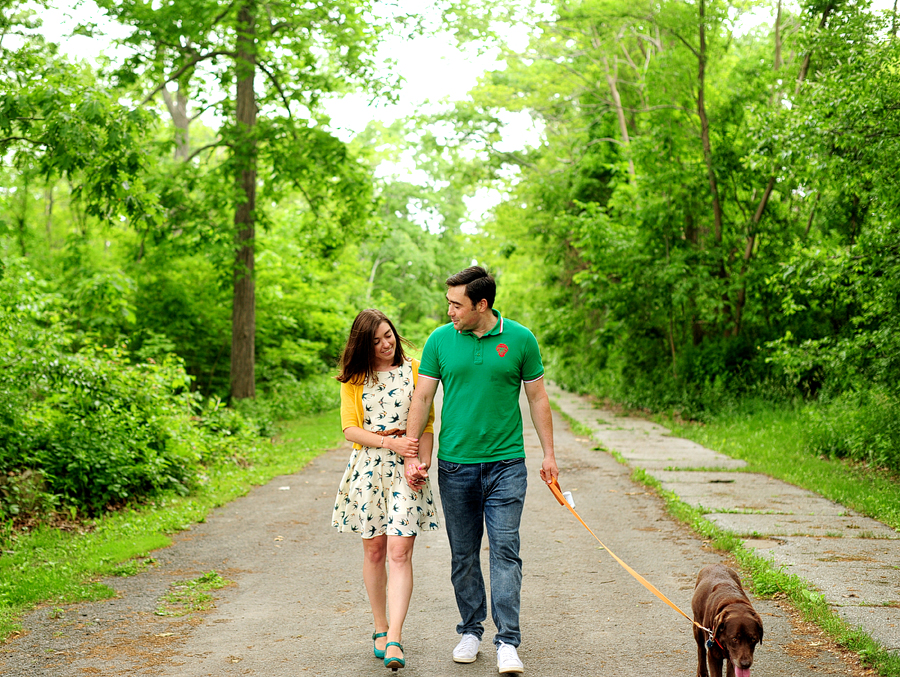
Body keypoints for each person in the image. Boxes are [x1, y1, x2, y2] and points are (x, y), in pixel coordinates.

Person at [404, 266, 558, 675]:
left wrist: (549, 454)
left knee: (505, 551)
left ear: (482, 304)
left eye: (457, 304)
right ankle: (470, 630)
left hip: (507, 464)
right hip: (456, 467)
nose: (450, 311)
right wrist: (409, 453)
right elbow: (422, 397)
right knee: (464, 555)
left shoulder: (521, 339)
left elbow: (538, 399)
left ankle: (508, 641)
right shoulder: (439, 340)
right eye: (449, 303)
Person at [332, 309, 438, 671]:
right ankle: (379, 627)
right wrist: (388, 443)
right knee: (376, 551)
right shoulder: (355, 378)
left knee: (400, 551)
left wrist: (420, 465)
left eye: (388, 335)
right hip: (368, 471)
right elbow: (349, 430)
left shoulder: (415, 368)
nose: (385, 344)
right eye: (375, 341)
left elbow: (427, 425)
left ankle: (395, 637)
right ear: (364, 345)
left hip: (406, 471)